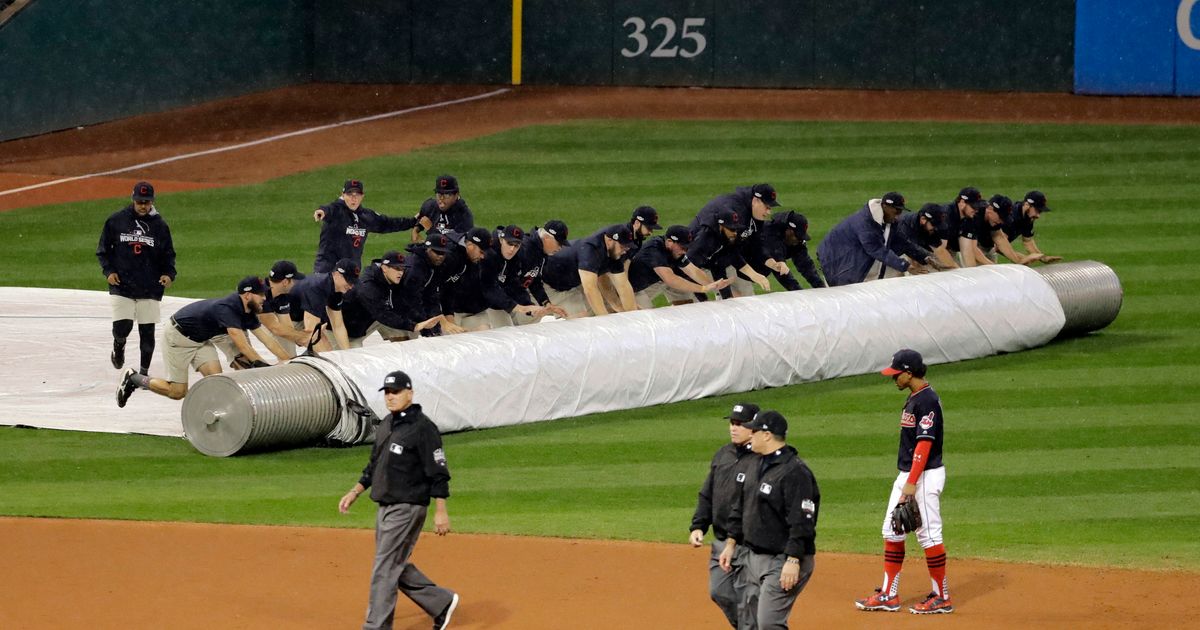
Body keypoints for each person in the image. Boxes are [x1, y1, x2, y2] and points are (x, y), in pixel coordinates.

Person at [338, 370, 459, 630]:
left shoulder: (423, 428)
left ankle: (376, 627)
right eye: (388, 393)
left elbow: (438, 471)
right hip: (385, 506)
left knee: (383, 568)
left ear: (410, 393)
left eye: (396, 392)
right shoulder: (387, 424)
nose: (391, 397)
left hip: (408, 506)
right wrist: (355, 491)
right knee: (393, 564)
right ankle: (441, 602)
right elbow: (374, 464)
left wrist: (441, 510)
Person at [855, 349, 953, 615]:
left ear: (909, 373)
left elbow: (924, 443)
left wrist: (911, 483)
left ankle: (942, 597)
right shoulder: (915, 397)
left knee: (929, 536)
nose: (893, 379)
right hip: (909, 474)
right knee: (892, 531)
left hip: (924, 475)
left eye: (896, 374)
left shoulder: (927, 400)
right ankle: (889, 594)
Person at [115, 276, 287, 406]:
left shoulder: (248, 309)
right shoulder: (227, 310)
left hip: (200, 340)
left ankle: (204, 420)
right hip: (178, 338)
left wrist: (288, 361)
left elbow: (267, 340)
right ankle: (134, 378)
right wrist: (264, 368)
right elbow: (243, 346)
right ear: (248, 295)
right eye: (261, 294)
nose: (265, 297)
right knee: (177, 392)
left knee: (216, 381)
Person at [720, 410, 820, 629]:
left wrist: (793, 560)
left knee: (769, 624)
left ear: (767, 435)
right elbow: (740, 505)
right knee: (749, 621)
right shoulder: (754, 464)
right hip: (752, 557)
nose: (749, 434)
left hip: (782, 560)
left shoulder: (795, 472)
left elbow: (802, 521)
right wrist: (731, 543)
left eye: (753, 430)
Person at [689, 402, 761, 629]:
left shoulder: (761, 459)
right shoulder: (723, 454)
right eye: (732, 423)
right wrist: (698, 526)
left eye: (740, 424)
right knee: (720, 592)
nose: (734, 428)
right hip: (721, 543)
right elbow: (707, 493)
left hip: (748, 545)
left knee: (749, 599)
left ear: (754, 428)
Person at [96, 181, 176, 374]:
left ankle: (144, 373)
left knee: (147, 332)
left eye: (147, 202)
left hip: (150, 285)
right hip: (122, 284)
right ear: (133, 200)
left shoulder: (160, 226)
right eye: (140, 201)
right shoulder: (116, 220)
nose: (143, 205)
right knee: (122, 326)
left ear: (152, 202)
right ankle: (119, 343)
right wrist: (109, 271)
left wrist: (168, 274)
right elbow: (103, 250)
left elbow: (168, 254)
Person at [691, 184, 783, 297]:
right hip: (698, 261)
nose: (769, 212)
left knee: (741, 299)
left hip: (721, 260)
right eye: (767, 207)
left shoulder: (754, 215)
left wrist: (773, 263)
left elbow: (755, 243)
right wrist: (753, 274)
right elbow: (728, 252)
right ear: (756, 200)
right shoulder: (734, 216)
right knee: (728, 299)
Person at [311, 179, 419, 273]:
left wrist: (413, 221)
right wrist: (322, 212)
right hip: (327, 271)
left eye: (357, 195)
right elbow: (329, 209)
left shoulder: (366, 216)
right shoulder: (337, 211)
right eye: (350, 194)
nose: (354, 198)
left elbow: (388, 223)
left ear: (362, 196)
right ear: (343, 195)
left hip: (351, 273)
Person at [341, 252, 440, 346]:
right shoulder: (368, 287)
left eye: (402, 268)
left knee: (403, 333)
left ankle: (403, 357)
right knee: (350, 357)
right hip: (347, 326)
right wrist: (414, 326)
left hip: (372, 317)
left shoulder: (391, 279)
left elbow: (402, 303)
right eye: (397, 268)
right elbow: (383, 315)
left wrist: (421, 321)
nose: (400, 273)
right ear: (384, 268)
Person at [540, 224, 639, 317]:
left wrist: (632, 314)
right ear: (609, 241)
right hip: (545, 285)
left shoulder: (614, 253)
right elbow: (590, 288)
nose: (625, 251)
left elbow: (623, 286)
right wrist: (606, 320)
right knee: (582, 319)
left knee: (594, 314)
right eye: (622, 247)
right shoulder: (590, 250)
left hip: (571, 284)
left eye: (627, 247)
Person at [816, 192, 914, 286]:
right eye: (897, 211)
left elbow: (902, 242)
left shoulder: (886, 219)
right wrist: (904, 265)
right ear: (885, 207)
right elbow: (877, 249)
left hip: (844, 257)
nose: (898, 215)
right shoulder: (866, 223)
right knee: (843, 293)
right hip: (834, 260)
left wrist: (924, 257)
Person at [629, 225, 730, 308]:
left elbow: (693, 270)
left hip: (643, 285)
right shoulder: (654, 250)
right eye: (683, 247)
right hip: (628, 290)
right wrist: (703, 288)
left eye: (687, 248)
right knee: (646, 319)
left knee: (685, 306)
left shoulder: (675, 251)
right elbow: (670, 279)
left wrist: (713, 285)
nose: (685, 252)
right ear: (669, 242)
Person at [685, 209, 771, 299]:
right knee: (687, 303)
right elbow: (689, 271)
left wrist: (754, 275)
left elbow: (726, 261)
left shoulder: (726, 237)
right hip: (681, 271)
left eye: (736, 229)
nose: (735, 233)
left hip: (706, 266)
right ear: (721, 226)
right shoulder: (704, 241)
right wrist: (704, 298)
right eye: (732, 229)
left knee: (729, 299)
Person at [400, 232, 467, 336]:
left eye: (443, 253)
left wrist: (437, 321)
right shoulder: (415, 268)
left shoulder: (434, 264)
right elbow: (411, 300)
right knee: (406, 342)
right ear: (428, 249)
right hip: (396, 308)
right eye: (437, 252)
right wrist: (428, 328)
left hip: (410, 306)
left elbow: (430, 295)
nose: (440, 256)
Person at [293, 257, 361, 350]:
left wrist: (347, 353)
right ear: (337, 275)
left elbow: (338, 326)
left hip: (299, 319)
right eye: (349, 281)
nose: (351, 286)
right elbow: (311, 331)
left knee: (328, 352)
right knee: (286, 357)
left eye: (353, 283)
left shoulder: (336, 291)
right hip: (282, 319)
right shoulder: (317, 288)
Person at [754, 210, 828, 290]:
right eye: (798, 236)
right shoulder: (770, 236)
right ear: (789, 231)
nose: (799, 240)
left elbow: (805, 264)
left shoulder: (794, 240)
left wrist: (821, 287)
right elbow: (782, 273)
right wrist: (798, 293)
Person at [514, 220, 570, 322]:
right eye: (559, 243)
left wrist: (547, 304)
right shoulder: (524, 250)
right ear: (546, 238)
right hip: (493, 300)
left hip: (512, 299)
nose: (560, 248)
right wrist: (529, 307)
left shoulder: (541, 252)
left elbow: (534, 281)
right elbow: (509, 284)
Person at [892, 204, 957, 275]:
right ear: (923, 219)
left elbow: (940, 250)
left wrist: (956, 270)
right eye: (934, 224)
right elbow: (913, 256)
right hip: (893, 249)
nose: (936, 228)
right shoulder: (908, 227)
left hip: (911, 246)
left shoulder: (930, 228)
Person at [1002, 190, 1062, 264]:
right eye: (1037, 210)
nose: (1038, 216)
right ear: (1027, 205)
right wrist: (1021, 259)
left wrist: (1043, 258)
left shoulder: (1027, 217)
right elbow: (998, 246)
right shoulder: (1010, 217)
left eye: (1040, 212)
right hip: (985, 246)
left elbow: (1028, 241)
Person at [936, 187, 990, 268]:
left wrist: (971, 274)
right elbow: (939, 251)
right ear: (962, 202)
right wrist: (957, 268)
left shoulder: (969, 218)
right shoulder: (945, 216)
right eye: (974, 207)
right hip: (927, 251)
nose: (976, 210)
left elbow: (967, 251)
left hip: (946, 250)